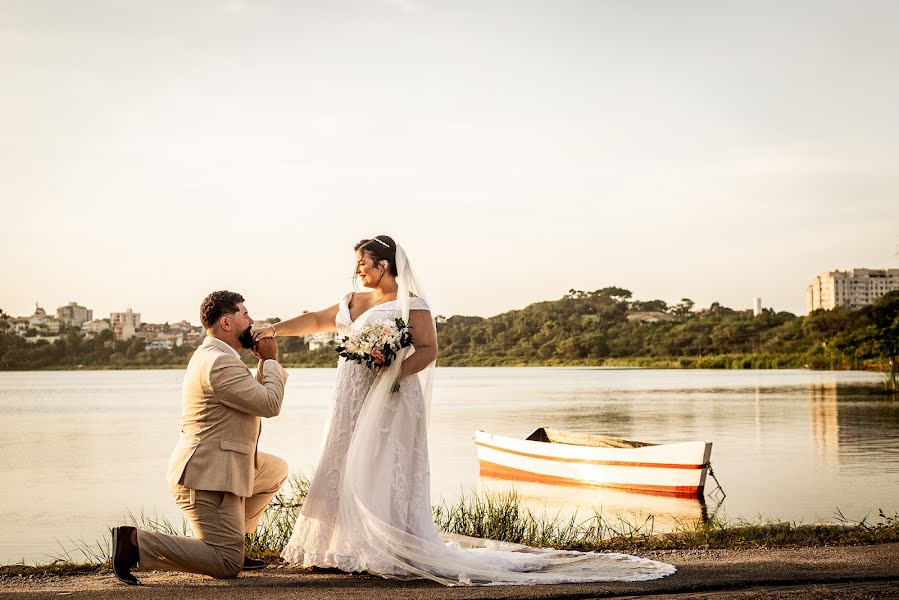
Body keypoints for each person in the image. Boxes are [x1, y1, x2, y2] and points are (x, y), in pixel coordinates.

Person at [256, 236, 676, 585]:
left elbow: (428, 350)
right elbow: (314, 321)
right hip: (348, 397)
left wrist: (391, 371)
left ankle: (387, 546)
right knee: (342, 460)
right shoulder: (352, 299)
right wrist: (272, 329)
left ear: (384, 265)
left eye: (363, 264)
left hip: (391, 397)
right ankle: (337, 545)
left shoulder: (412, 303)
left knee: (383, 465)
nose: (358, 271)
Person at [111, 291, 290, 585]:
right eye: (245, 315)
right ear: (226, 323)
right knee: (226, 563)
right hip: (206, 478)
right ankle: (136, 543)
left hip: (223, 466)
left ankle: (234, 540)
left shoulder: (216, 356)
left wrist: (262, 364)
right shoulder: (220, 362)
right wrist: (270, 360)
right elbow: (269, 404)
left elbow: (255, 398)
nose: (252, 320)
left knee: (275, 471)